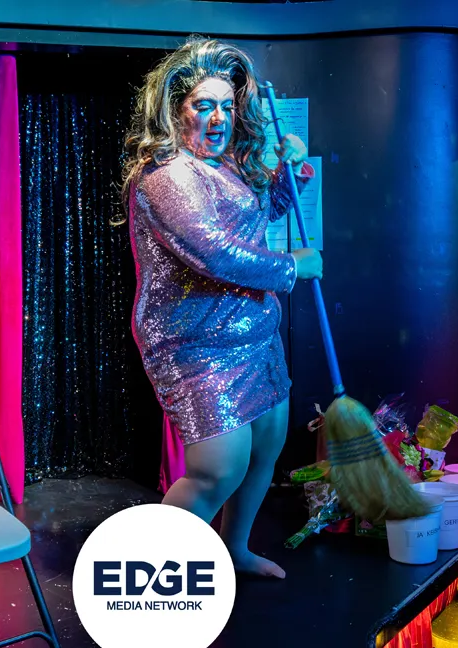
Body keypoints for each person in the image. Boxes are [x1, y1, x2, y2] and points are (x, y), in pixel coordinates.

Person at [121, 37, 323, 579]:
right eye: (204, 105)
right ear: (176, 110)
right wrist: (291, 267)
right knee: (218, 468)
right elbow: (215, 253)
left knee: (265, 450)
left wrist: (289, 174)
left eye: (227, 107)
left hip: (253, 333)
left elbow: (255, 217)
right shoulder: (167, 175)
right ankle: (151, 576)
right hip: (198, 342)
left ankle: (233, 550)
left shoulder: (225, 164)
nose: (218, 119)